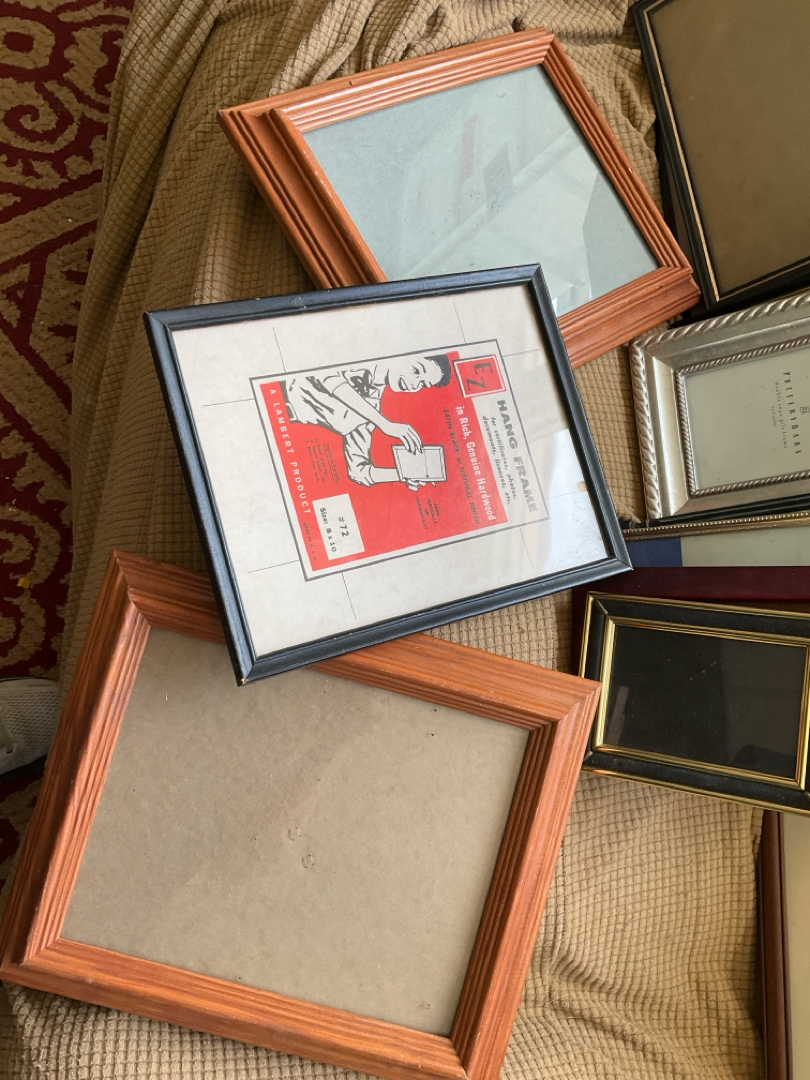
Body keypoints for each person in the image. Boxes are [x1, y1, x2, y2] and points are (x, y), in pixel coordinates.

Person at [282, 352, 452, 486]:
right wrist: (385, 424)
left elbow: (359, 471)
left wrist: (403, 474)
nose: (414, 384)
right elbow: (328, 376)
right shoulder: (362, 351)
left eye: (423, 384)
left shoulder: (372, 408)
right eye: (416, 371)